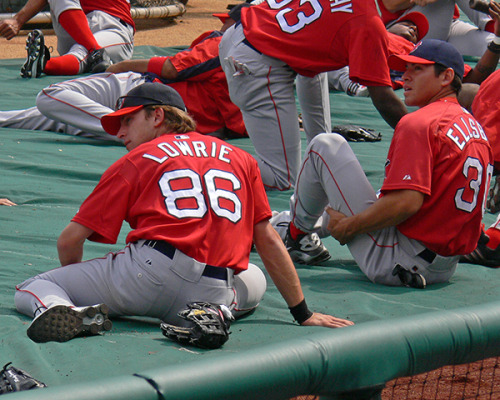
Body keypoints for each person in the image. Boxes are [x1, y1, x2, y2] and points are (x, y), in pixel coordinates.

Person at [14, 82, 354, 344]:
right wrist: (302, 312)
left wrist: (80, 288)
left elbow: (69, 240)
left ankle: (61, 309)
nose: (120, 133)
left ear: (157, 116)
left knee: (35, 286)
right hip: (214, 287)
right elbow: (267, 240)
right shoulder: (241, 157)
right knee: (254, 275)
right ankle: (215, 313)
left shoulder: (137, 159)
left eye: (128, 121)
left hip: (145, 277)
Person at [280, 39, 493, 288]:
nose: (406, 77)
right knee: (361, 204)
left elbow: (405, 203)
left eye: (417, 69)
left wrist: (349, 227)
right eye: (406, 68)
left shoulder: (421, 123)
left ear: (446, 76)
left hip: (399, 261)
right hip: (444, 267)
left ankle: (295, 238)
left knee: (324, 146)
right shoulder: (475, 127)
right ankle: (280, 226)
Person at [219, 0, 408, 191]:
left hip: (247, 30)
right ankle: (201, 161)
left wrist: (321, 142)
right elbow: (384, 100)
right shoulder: (368, 24)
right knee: (282, 177)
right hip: (256, 60)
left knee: (317, 67)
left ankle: (320, 154)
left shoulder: (365, 18)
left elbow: (311, 67)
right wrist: (421, 132)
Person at [0, 5, 248, 141]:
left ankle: (122, 128)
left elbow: (173, 67)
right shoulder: (260, 75)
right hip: (164, 119)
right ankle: (120, 123)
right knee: (57, 115)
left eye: (227, 20)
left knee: (50, 97)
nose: (222, 24)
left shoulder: (224, 44)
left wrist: (124, 65)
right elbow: (238, 126)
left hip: (134, 74)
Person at [0, 0, 134, 78]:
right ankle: (96, 52)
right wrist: (17, 20)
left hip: (111, 26)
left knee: (81, 51)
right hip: (75, 27)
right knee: (85, 50)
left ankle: (44, 65)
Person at [378, 0, 497, 57]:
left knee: (492, 46)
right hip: (407, 29)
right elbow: (390, 4)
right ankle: (493, 21)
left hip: (445, 24)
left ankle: (495, 24)